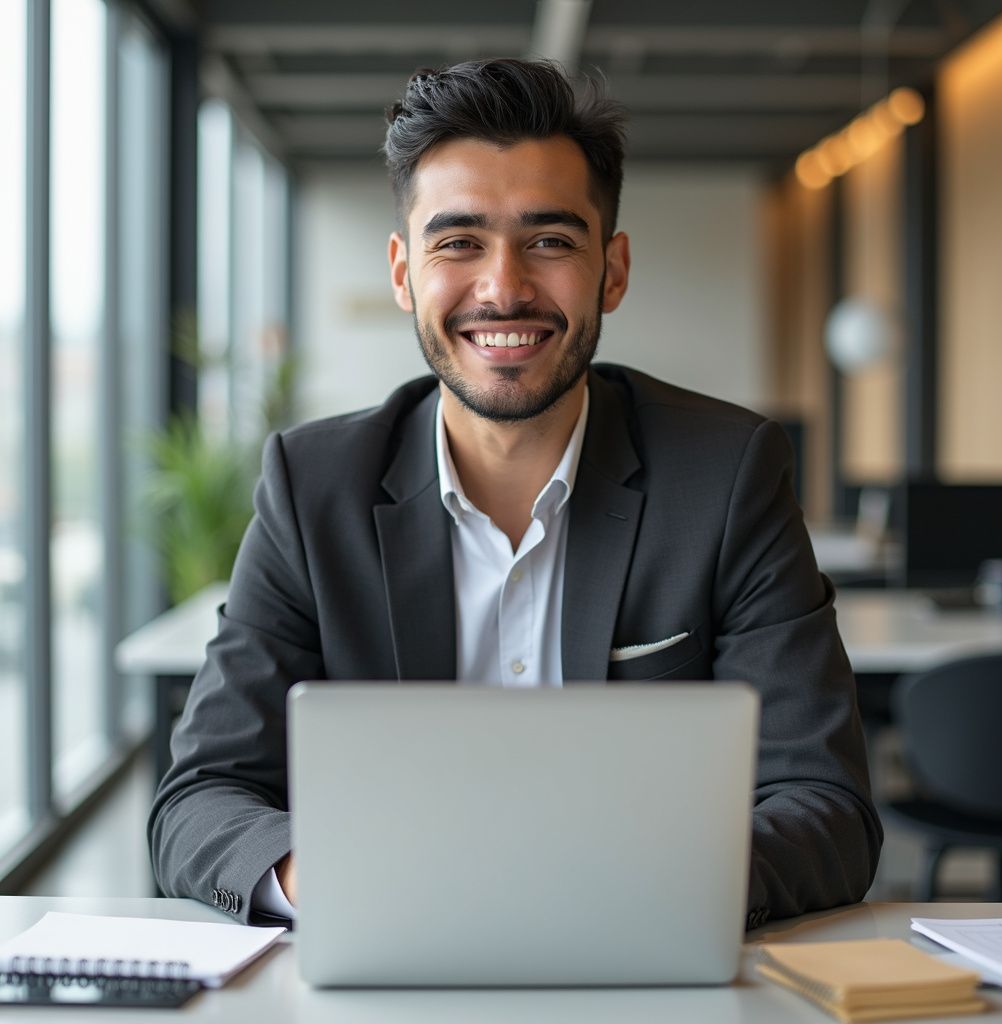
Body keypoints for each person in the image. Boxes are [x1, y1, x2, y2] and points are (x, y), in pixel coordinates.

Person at [149, 58, 882, 930]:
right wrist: (334, 881)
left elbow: (825, 804)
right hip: (390, 960)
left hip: (643, 961)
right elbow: (200, 798)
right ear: (403, 272)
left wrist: (640, 885)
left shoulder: (725, 474)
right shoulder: (314, 488)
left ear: (612, 269)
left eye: (550, 241)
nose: (503, 287)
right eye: (458, 242)